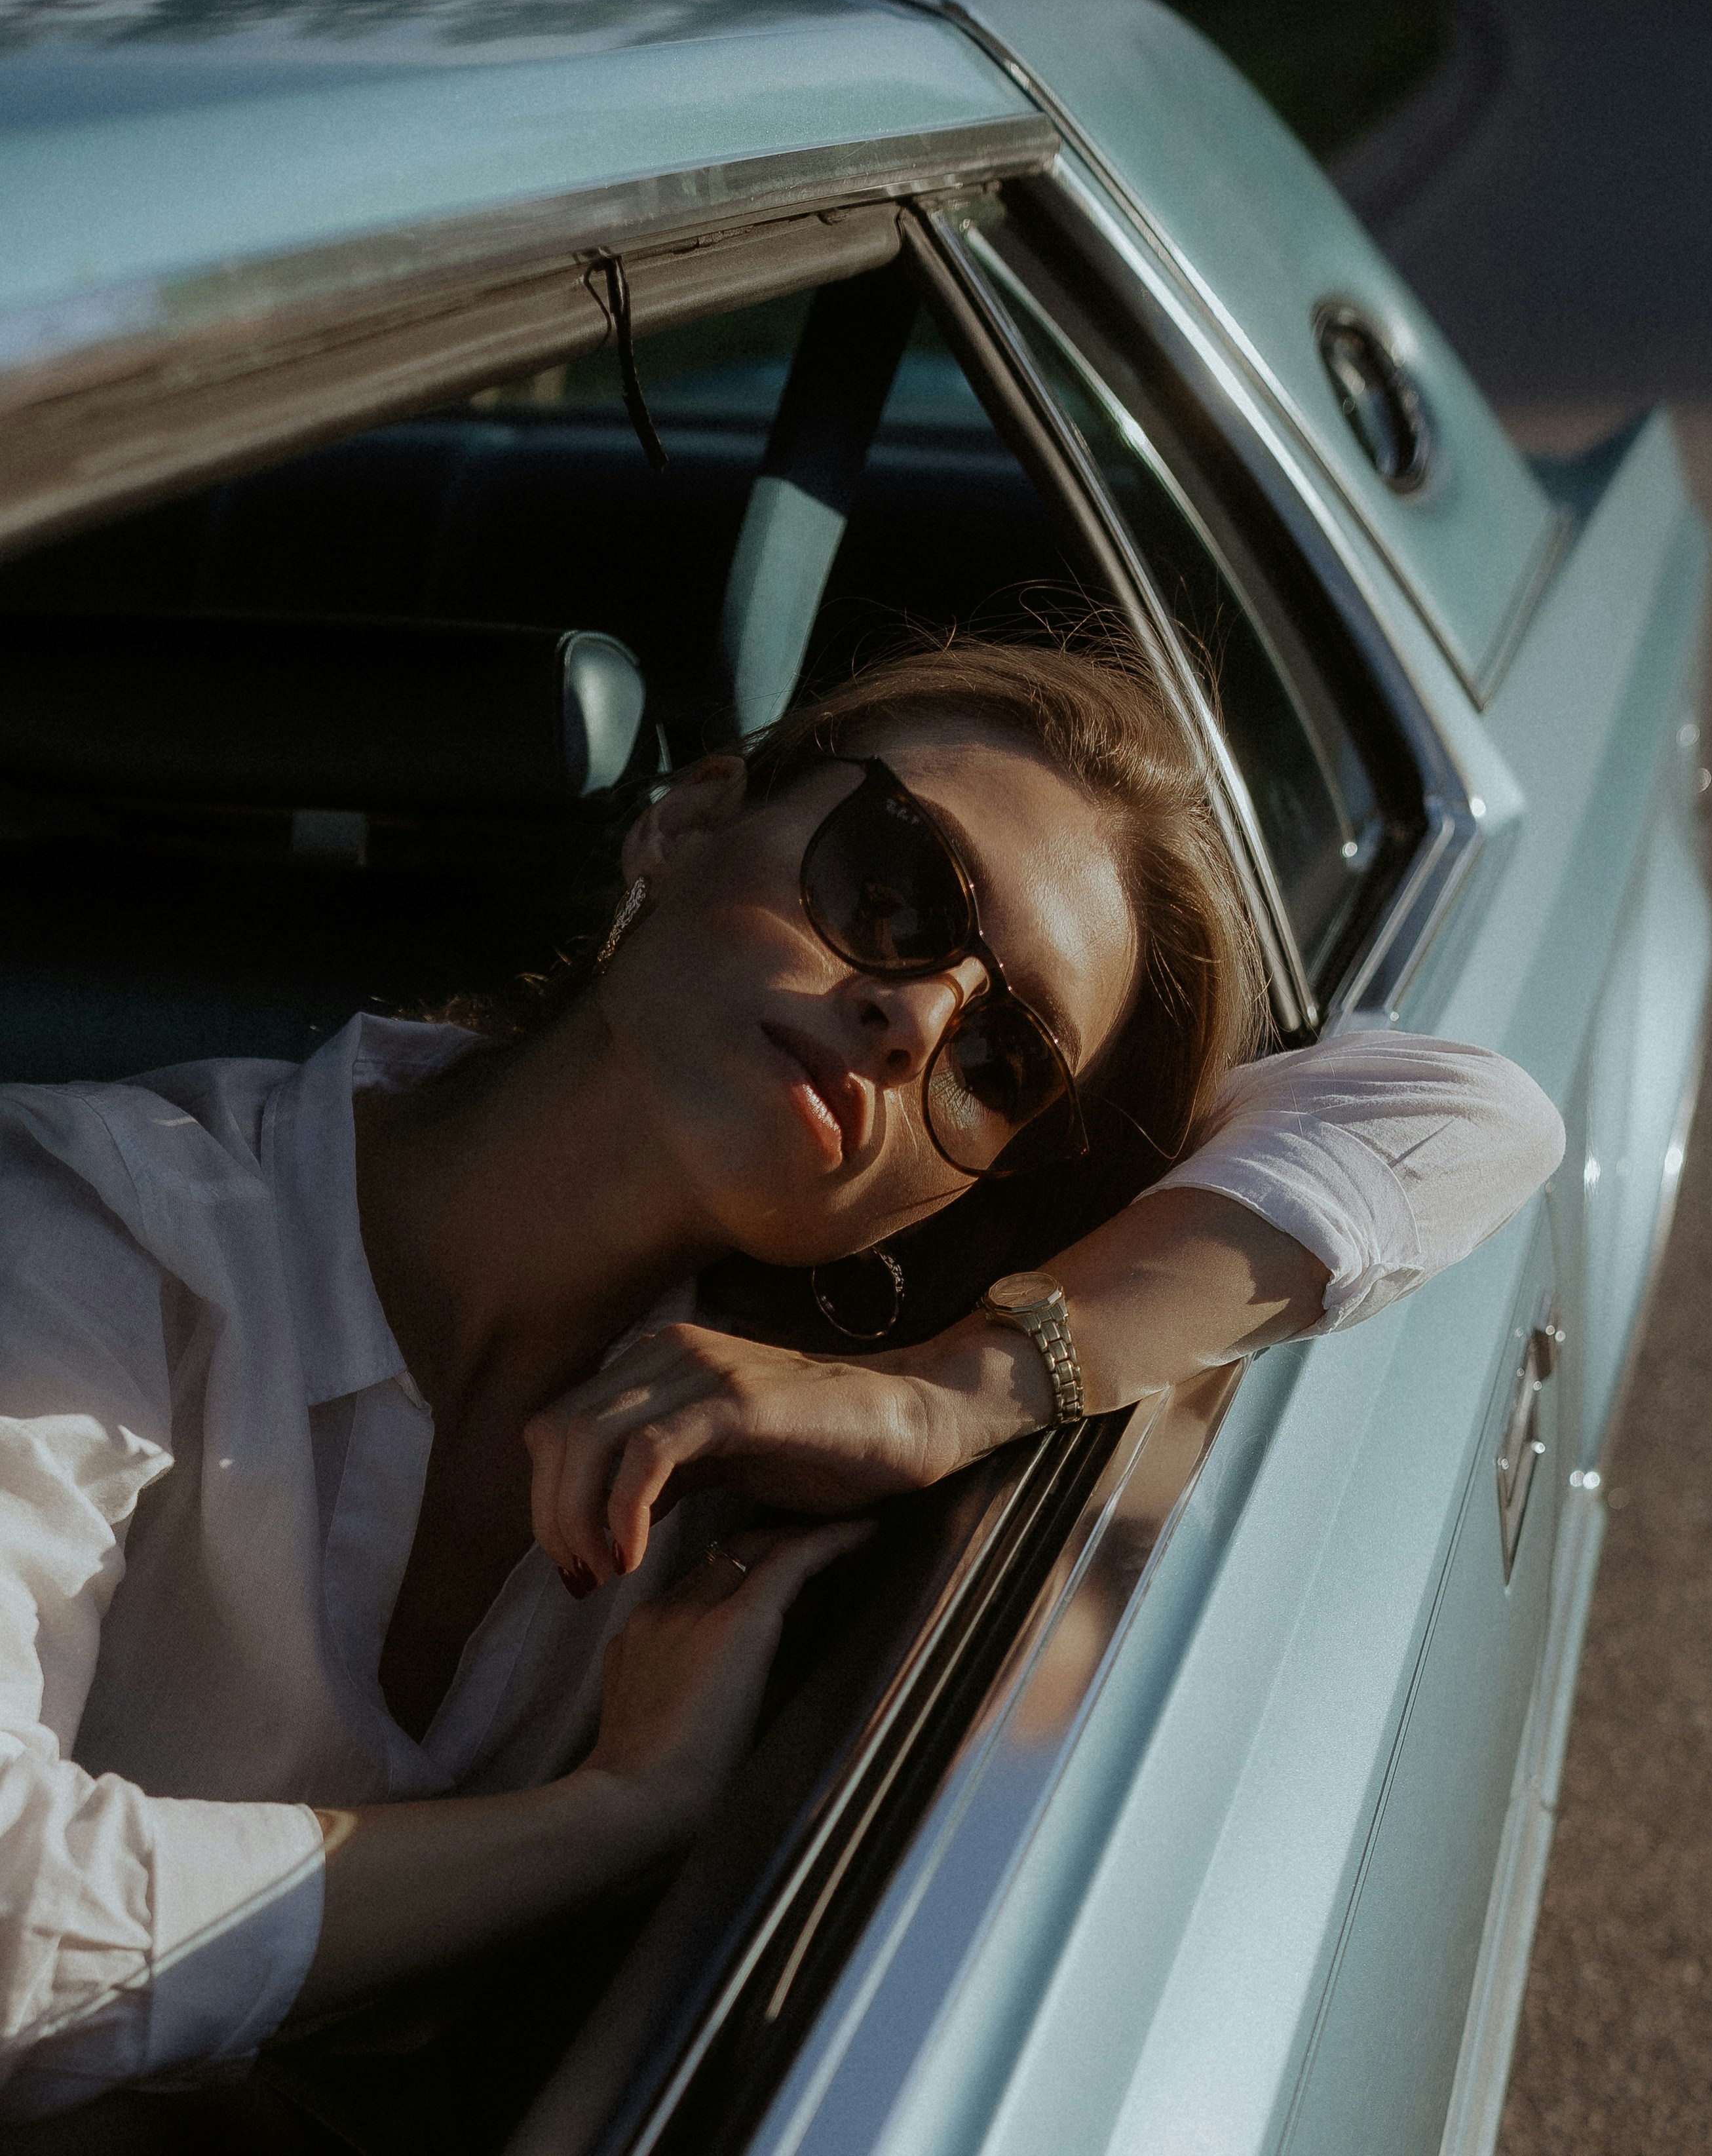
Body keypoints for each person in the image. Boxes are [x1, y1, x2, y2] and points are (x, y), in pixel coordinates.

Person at [0, 640, 1561, 2117]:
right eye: (896, 891)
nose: (914, 1014)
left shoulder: (780, 1398)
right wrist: (603, 1816)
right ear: (683, 827)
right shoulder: (92, 1230)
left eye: (1004, 1063)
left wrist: (959, 1388)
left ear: (961, 1186)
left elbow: (1469, 1113)